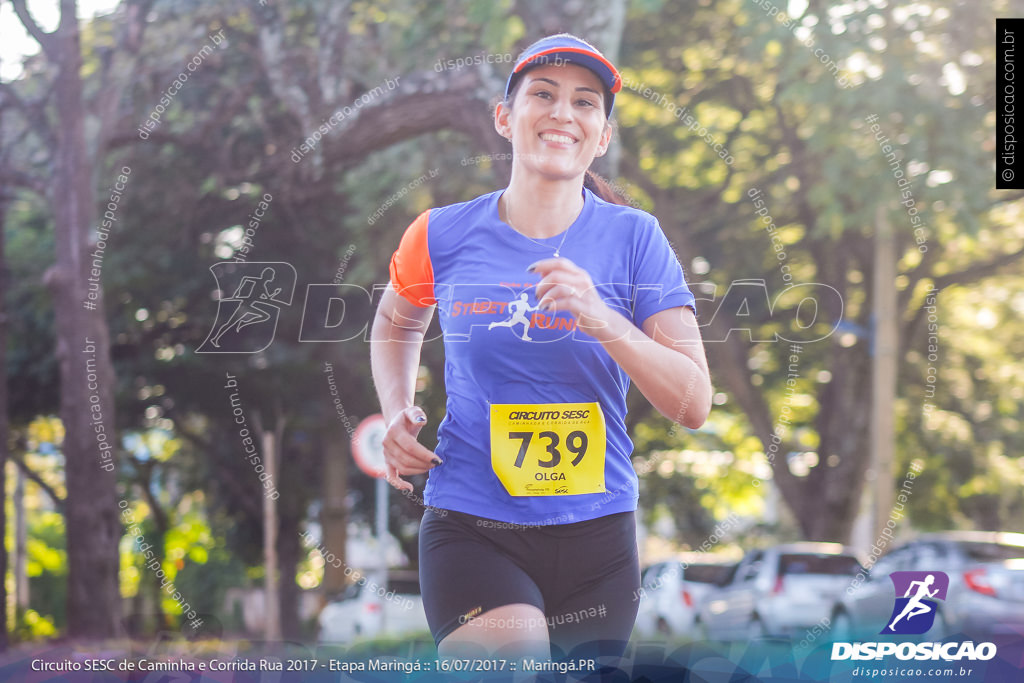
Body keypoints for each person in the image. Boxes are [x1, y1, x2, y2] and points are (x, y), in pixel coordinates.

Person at [370, 34, 712, 664]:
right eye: (544, 95)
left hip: (599, 536)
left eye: (585, 103)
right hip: (473, 525)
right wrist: (396, 407)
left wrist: (599, 315)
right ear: (505, 117)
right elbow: (396, 321)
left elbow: (692, 403)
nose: (563, 113)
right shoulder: (441, 234)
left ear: (601, 135)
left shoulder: (636, 239)